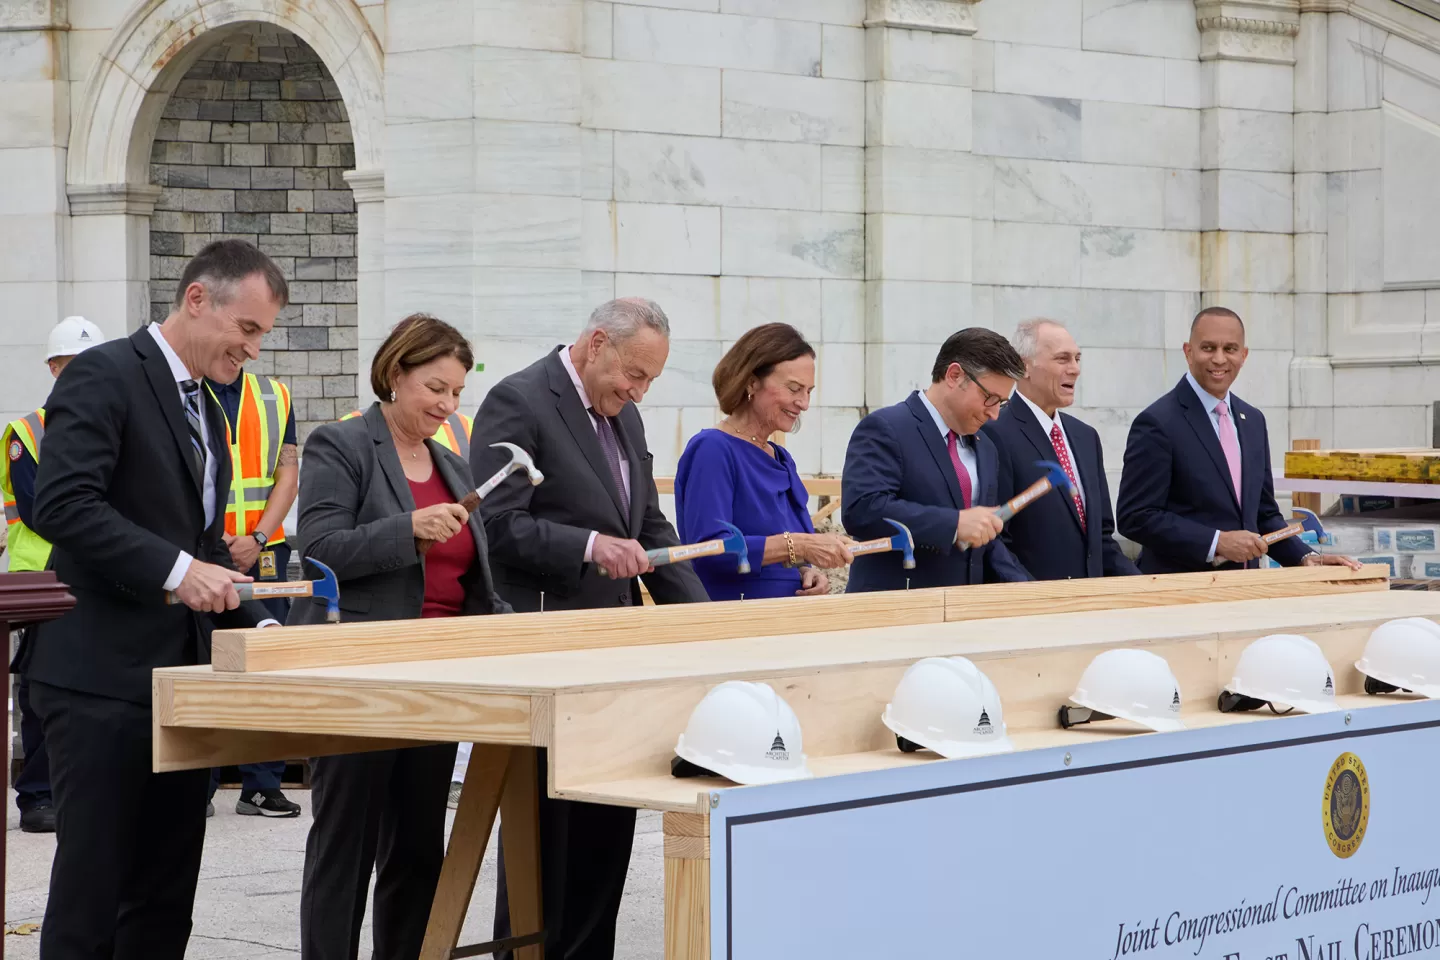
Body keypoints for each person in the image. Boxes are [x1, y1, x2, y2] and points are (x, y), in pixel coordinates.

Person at [25, 239, 285, 960]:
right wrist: (177, 571)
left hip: (177, 687)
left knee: (166, 896)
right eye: (249, 329)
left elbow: (198, 542)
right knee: (93, 895)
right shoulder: (104, 375)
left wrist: (257, 618)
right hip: (98, 682)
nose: (254, 350)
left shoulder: (205, 402)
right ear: (198, 299)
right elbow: (64, 504)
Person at [473, 297, 709, 960]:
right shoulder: (518, 399)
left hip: (614, 659)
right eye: (633, 374)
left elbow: (650, 532)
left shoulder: (624, 414)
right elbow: (497, 526)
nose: (637, 391)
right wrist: (586, 546)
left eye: (649, 382)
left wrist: (710, 624)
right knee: (545, 839)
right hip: (549, 650)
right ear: (597, 342)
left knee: (608, 832)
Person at [293, 313, 512, 960]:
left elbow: (473, 577)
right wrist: (408, 529)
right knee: (345, 846)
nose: (447, 405)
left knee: (418, 848)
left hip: (437, 678)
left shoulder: (452, 462)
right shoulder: (343, 444)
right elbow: (320, 549)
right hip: (360, 675)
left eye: (456, 394)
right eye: (436, 388)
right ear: (395, 374)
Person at [1116, 306, 1361, 573]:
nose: (1219, 359)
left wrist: (1304, 557)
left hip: (1245, 589)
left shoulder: (1253, 421)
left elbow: (1264, 514)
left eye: (1230, 349)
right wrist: (1216, 542)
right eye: (1208, 348)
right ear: (1188, 352)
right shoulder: (1158, 422)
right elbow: (1135, 517)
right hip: (1181, 591)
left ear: (1243, 355)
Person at [2, 315, 106, 834]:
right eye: (72, 366)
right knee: (44, 691)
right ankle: (37, 795)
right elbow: (42, 509)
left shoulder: (115, 424)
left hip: (97, 575)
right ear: (52, 368)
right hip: (42, 581)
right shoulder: (27, 433)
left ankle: (79, 790)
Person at [843, 328, 1032, 592]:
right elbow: (863, 510)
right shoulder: (886, 427)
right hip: (897, 609)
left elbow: (982, 540)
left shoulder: (986, 446)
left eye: (1000, 403)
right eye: (989, 398)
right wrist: (953, 524)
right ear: (954, 375)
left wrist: (1030, 590)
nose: (994, 415)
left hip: (962, 614)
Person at [674, 323, 853, 600]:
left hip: (787, 623)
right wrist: (799, 546)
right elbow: (709, 551)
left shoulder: (781, 458)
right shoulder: (712, 449)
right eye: (794, 388)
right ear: (751, 381)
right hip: (736, 623)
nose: (804, 403)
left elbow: (789, 555)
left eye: (809, 391)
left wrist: (806, 572)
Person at [202, 366, 302, 818]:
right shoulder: (183, 390)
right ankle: (195, 785)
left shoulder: (274, 395)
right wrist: (214, 543)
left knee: (267, 664)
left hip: (263, 552)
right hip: (201, 553)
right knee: (198, 664)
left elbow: (288, 473)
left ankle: (262, 785)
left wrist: (257, 538)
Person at [982, 319, 1139, 580]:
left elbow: (1101, 537)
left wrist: (1142, 583)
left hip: (1090, 605)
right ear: (1024, 367)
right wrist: (1035, 596)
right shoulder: (995, 434)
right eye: (1062, 359)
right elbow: (997, 539)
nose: (1075, 369)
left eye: (1077, 358)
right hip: (1034, 608)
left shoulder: (1085, 437)